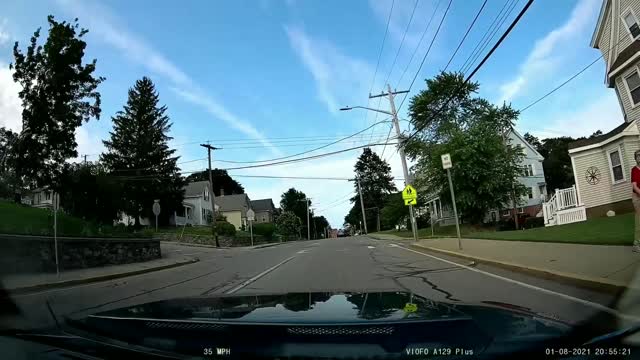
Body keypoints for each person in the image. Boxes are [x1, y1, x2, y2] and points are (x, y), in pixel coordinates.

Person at [632, 149, 640, 252]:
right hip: (637, 197)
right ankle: (636, 244)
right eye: (637, 155)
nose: (639, 157)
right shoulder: (634, 170)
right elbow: (634, 186)